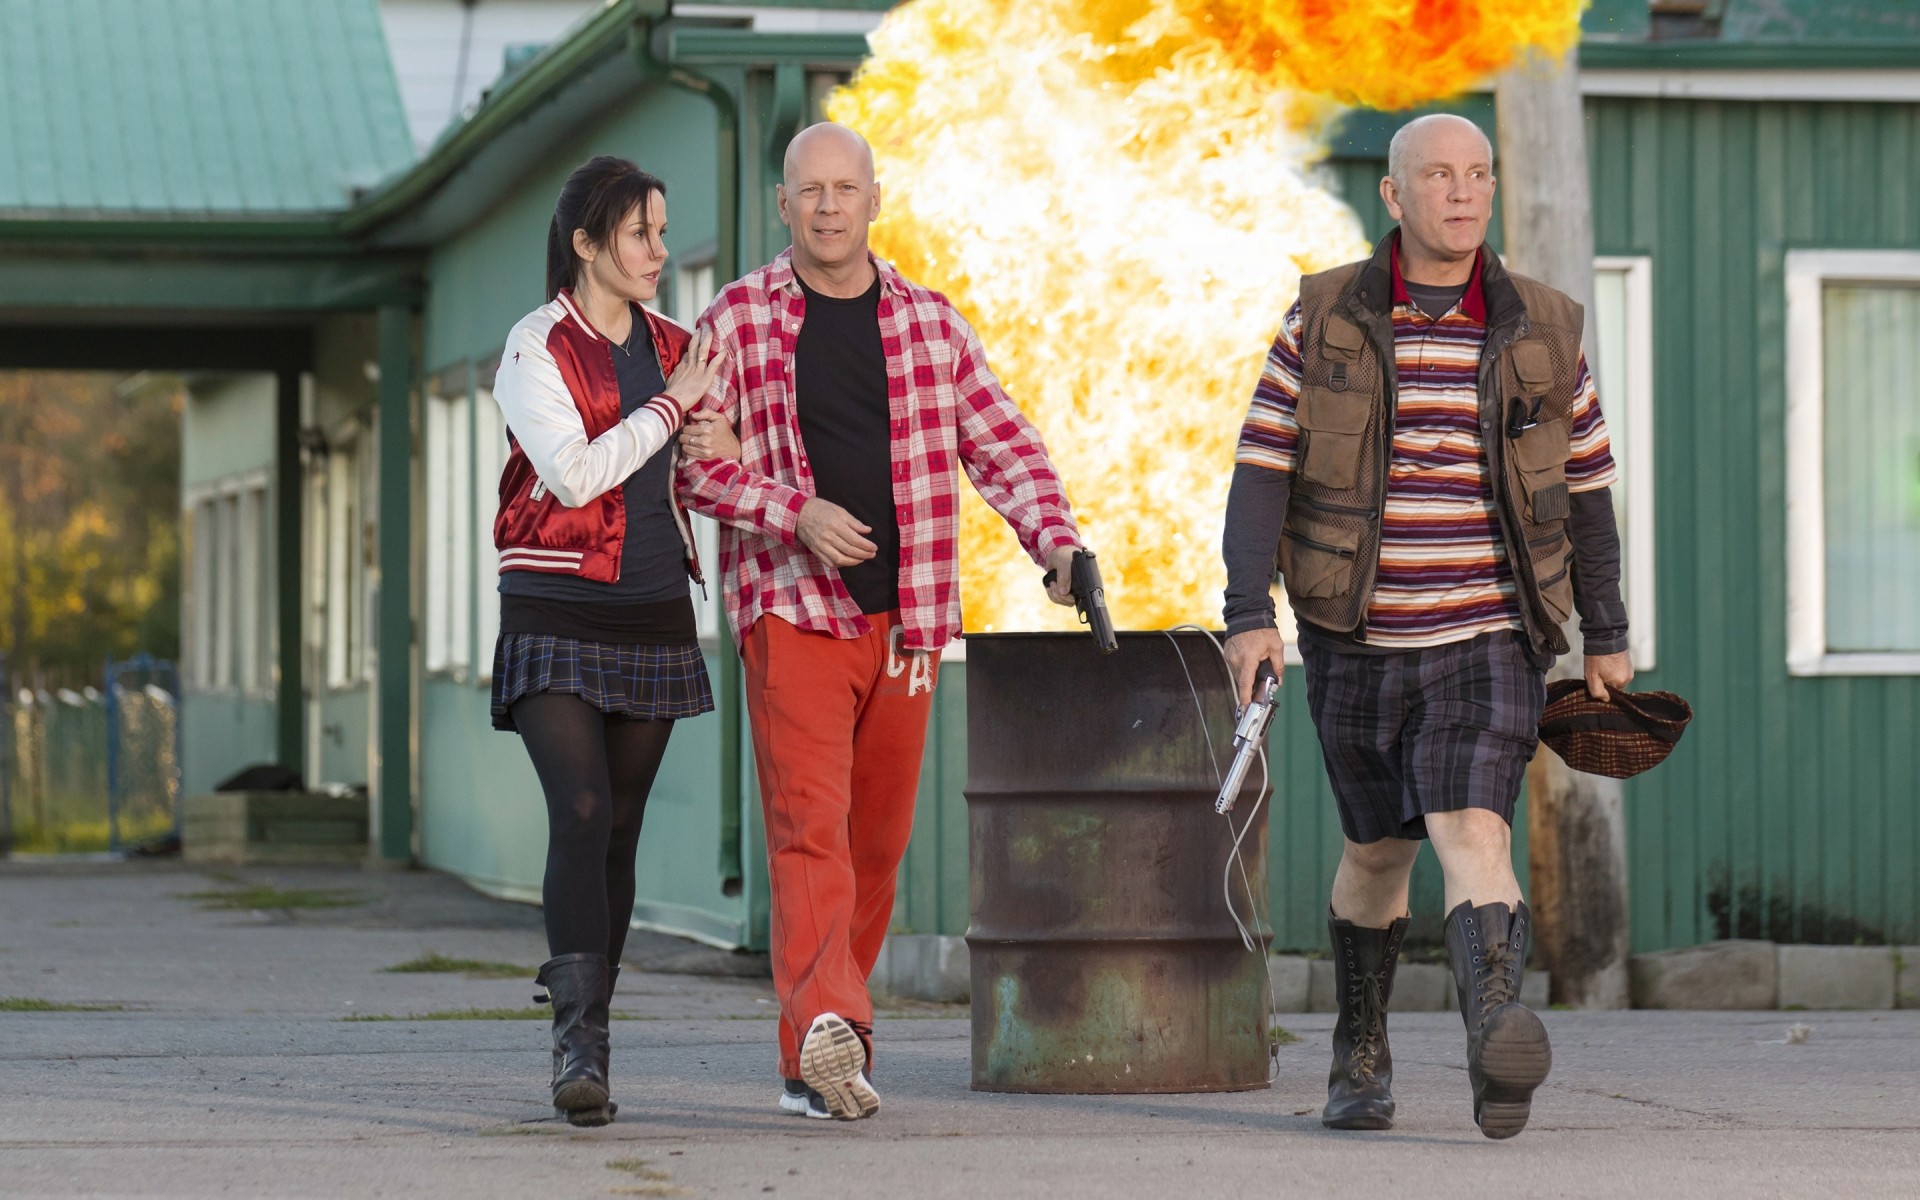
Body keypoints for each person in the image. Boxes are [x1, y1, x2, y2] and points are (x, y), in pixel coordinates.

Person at [1219, 114, 1631, 1140]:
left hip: (1491, 636)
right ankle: (1359, 1052)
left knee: (1473, 829)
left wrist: (1608, 633)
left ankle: (1496, 1032)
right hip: (1355, 637)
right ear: (1394, 198)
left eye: (1480, 172)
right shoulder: (1322, 319)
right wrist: (1246, 617)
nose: (1464, 191)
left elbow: (1586, 490)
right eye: (1439, 176)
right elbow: (1262, 469)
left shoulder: (1546, 325)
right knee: (1376, 855)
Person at [674, 122, 1084, 1122]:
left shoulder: (930, 325)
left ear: (873, 199)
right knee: (809, 832)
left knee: (875, 843)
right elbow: (691, 462)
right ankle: (823, 1031)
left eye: (843, 189)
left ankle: (829, 1048)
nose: (826, 206)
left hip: (909, 624)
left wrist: (1056, 542)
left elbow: (1005, 447)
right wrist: (791, 513)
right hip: (793, 615)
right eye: (807, 190)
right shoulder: (735, 321)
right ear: (783, 205)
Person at [489, 155, 734, 1126]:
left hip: (652, 609)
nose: (660, 252)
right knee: (582, 807)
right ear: (587, 244)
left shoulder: (679, 341)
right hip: (552, 605)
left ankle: (596, 1037)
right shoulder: (533, 348)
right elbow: (575, 473)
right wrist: (675, 408)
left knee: (623, 827)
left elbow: (709, 455)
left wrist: (722, 443)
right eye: (639, 234)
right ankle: (574, 1047)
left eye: (663, 232)